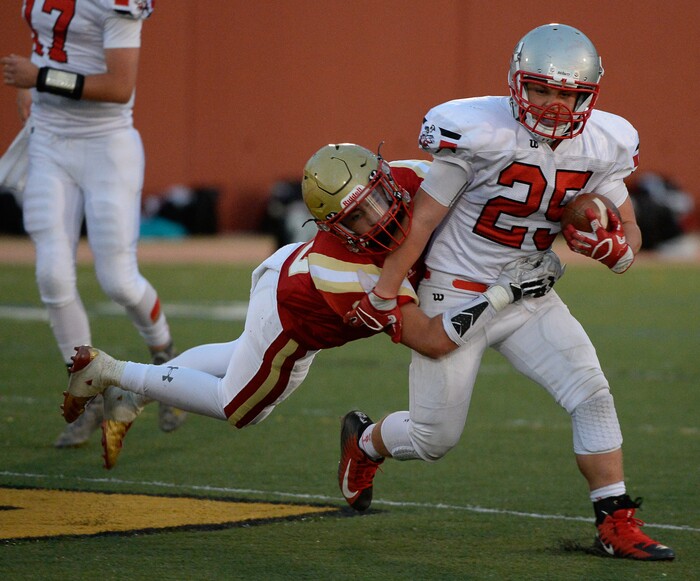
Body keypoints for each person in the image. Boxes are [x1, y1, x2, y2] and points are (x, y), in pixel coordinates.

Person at [340, 24, 675, 561]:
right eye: (542, 89)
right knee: (433, 439)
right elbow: (422, 222)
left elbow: (629, 231)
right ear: (518, 84)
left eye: (567, 94)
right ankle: (366, 441)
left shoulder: (604, 142)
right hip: (458, 290)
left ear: (588, 96)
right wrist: (384, 293)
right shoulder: (477, 130)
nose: (554, 106)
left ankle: (616, 520)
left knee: (591, 392)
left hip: (530, 290)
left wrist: (619, 252)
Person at [59, 143, 564, 470]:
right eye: (357, 217)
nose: (377, 218)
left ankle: (133, 394)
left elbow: (479, 197)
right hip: (296, 315)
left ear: (389, 178)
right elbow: (431, 339)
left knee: (239, 356)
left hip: (290, 275)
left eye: (377, 199)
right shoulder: (345, 269)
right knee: (240, 408)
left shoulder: (417, 177)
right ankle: (112, 371)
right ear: (334, 228)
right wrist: (505, 291)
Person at [1, 0, 186, 447]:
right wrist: (34, 84)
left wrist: (39, 77)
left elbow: (119, 86)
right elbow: (50, 39)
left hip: (106, 144)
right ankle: (86, 393)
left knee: (119, 281)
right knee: (51, 275)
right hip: (48, 139)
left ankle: (164, 356)